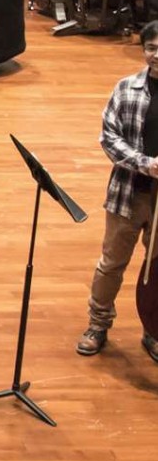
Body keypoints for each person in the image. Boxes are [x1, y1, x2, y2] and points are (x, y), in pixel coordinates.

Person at [78, 20, 158, 361]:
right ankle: (98, 324)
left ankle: (154, 329)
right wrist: (146, 163)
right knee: (112, 264)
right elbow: (108, 138)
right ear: (144, 50)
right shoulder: (126, 89)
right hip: (129, 194)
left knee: (157, 269)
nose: (157, 54)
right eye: (152, 47)